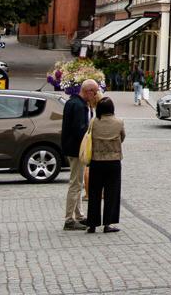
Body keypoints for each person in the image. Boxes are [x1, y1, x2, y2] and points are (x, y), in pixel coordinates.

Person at [60, 79, 100, 230]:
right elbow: (80, 130)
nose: (95, 95)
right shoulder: (79, 106)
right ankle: (69, 219)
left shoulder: (73, 102)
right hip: (77, 149)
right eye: (94, 92)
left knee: (77, 183)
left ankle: (79, 215)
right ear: (88, 91)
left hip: (71, 148)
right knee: (76, 184)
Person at [86, 98, 125, 233]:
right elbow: (123, 137)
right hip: (113, 161)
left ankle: (92, 223)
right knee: (112, 193)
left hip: (97, 161)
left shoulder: (94, 122)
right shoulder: (119, 122)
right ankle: (108, 223)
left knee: (94, 192)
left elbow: (89, 137)